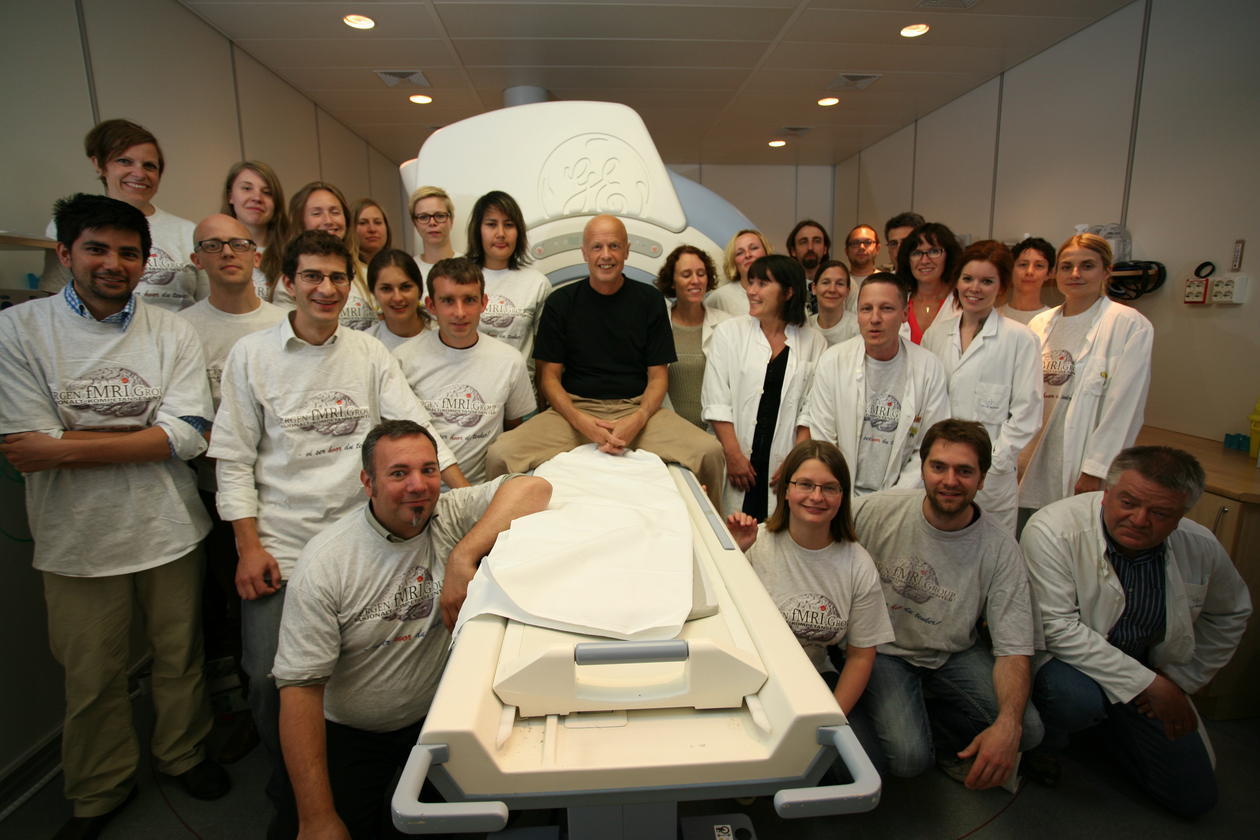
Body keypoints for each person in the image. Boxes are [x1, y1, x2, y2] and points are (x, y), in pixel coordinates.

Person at [207, 230, 467, 836]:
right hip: (286, 548)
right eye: (312, 278)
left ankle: (359, 784)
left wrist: (457, 507)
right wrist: (247, 545)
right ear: (288, 283)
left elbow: (420, 430)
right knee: (276, 684)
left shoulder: (369, 355)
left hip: (366, 540)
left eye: (336, 278)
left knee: (373, 672)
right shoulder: (252, 356)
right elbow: (234, 458)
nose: (325, 289)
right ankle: (296, 803)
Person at [1, 194, 228, 839]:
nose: (113, 263)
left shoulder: (171, 332)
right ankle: (100, 790)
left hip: (167, 528)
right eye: (97, 249)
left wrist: (65, 442)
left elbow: (188, 435)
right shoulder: (21, 331)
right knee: (92, 677)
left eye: (128, 253)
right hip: (76, 541)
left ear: (144, 261)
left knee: (178, 659)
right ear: (66, 253)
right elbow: (25, 448)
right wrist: (140, 435)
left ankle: (181, 754)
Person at [275, 420, 551, 839]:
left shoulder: (448, 513)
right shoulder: (327, 565)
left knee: (487, 815)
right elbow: (300, 690)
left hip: (436, 717)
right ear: (368, 482)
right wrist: (316, 818)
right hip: (354, 730)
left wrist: (463, 555)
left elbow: (535, 488)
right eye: (399, 473)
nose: (418, 485)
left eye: (429, 470)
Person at [1021, 446, 1251, 817]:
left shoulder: (1201, 546)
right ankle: (1052, 741)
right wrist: (1149, 685)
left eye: (1160, 513)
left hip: (1151, 671)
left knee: (1193, 798)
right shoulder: (1055, 529)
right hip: (1071, 666)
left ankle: (1109, 729)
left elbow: (1231, 613)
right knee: (1073, 698)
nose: (1140, 519)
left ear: (1181, 516)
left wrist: (1181, 680)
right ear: (1106, 493)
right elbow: (1057, 627)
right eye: (1128, 502)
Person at [485, 214, 726, 514]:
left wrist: (635, 420)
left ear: (626, 250)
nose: (606, 255)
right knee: (499, 455)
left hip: (636, 409)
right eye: (597, 247)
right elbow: (549, 380)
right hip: (573, 411)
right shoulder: (561, 303)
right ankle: (494, 544)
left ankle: (717, 540)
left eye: (614, 246)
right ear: (584, 253)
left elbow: (658, 379)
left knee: (710, 452)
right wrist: (581, 420)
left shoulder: (648, 301)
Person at [851, 420, 1043, 788]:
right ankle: (900, 721)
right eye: (938, 467)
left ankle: (936, 723)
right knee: (909, 759)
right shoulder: (878, 510)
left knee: (1027, 730)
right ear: (922, 468)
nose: (950, 480)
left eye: (965, 471)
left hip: (952, 652)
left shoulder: (1001, 548)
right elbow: (810, 523)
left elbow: (1014, 649)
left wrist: (1007, 724)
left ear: (983, 478)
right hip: (885, 650)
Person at [180, 213, 286, 696]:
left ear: (256, 256)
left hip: (285, 494)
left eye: (238, 244)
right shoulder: (181, 331)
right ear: (195, 258)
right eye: (214, 245)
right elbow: (181, 423)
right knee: (235, 604)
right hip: (215, 491)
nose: (227, 253)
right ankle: (249, 705)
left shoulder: (284, 324)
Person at [725, 440, 893, 715]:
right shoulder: (754, 543)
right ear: (786, 491)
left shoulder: (858, 563)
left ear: (842, 496)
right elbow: (718, 617)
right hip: (748, 677)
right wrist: (733, 553)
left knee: (863, 755)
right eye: (805, 484)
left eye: (829, 488)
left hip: (812, 681)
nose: (817, 497)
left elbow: (861, 656)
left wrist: (832, 718)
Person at [1018, 233, 1153, 523]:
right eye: (1067, 266)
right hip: (1030, 455)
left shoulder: (1128, 325)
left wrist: (1097, 468)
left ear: (1106, 270)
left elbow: (1125, 407)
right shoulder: (1040, 324)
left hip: (1081, 462)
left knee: (1068, 540)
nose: (1075, 274)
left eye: (1087, 266)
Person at [922, 240, 1041, 535]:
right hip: (939, 466)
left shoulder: (1020, 339)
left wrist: (994, 462)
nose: (975, 288)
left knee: (990, 554)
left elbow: (1027, 412)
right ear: (957, 282)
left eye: (987, 281)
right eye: (968, 278)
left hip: (990, 473)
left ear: (1001, 287)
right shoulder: (936, 334)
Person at [799, 273, 948, 495]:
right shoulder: (833, 361)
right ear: (857, 313)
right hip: (840, 493)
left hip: (901, 498)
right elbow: (824, 438)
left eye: (886, 308)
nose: (875, 318)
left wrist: (891, 500)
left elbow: (931, 446)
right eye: (866, 309)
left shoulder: (928, 367)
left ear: (905, 313)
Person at [703, 255, 827, 518]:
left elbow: (811, 408)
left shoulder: (813, 342)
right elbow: (716, 400)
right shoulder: (729, 332)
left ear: (788, 292)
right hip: (735, 454)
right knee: (732, 530)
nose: (751, 291)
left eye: (762, 284)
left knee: (774, 531)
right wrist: (734, 454)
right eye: (751, 283)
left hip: (783, 458)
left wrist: (796, 460)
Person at [395, 257, 535, 485]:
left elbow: (512, 431)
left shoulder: (509, 361)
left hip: (483, 488)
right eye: (448, 301)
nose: (460, 313)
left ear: (483, 303)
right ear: (431, 306)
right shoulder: (404, 360)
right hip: (422, 489)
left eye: (469, 300)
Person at [44, 119, 205, 311]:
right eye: (124, 161)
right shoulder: (72, 223)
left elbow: (206, 300)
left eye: (149, 166)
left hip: (176, 337)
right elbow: (55, 296)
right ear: (99, 164)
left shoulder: (187, 230)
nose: (139, 173)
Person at [274, 182, 378, 331]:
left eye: (335, 212)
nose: (328, 220)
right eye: (317, 213)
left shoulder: (368, 273)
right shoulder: (292, 281)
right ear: (301, 221)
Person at [464, 190, 551, 368]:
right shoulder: (461, 279)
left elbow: (544, 353)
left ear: (518, 231)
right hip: (472, 382)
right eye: (491, 224)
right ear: (478, 230)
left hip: (520, 386)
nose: (501, 233)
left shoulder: (537, 284)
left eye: (509, 225)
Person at [654, 244, 732, 428]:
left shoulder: (726, 325)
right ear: (672, 281)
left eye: (701, 274)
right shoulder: (657, 324)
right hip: (668, 431)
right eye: (686, 275)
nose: (695, 280)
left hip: (713, 434)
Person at [222, 160, 287, 303]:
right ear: (230, 197)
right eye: (246, 188)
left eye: (267, 192)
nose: (257, 198)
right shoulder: (214, 251)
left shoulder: (291, 252)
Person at [895, 222, 963, 343]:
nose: (925, 260)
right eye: (916, 253)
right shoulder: (898, 302)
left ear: (949, 256)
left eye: (934, 251)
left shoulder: (963, 304)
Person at [365, 249, 430, 351]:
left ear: (420, 290)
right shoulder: (367, 344)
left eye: (405, 287)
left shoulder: (443, 334)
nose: (397, 298)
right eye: (386, 289)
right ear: (374, 293)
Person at [706, 229, 771, 316]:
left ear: (766, 252)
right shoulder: (720, 297)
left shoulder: (782, 290)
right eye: (740, 253)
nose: (748, 255)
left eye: (754, 248)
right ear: (734, 262)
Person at [1000, 236, 1055, 325]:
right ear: (1011, 268)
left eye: (1039, 266)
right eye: (1023, 264)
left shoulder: (1053, 320)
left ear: (1049, 273)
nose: (1029, 272)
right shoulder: (994, 317)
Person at [806, 259, 859, 346]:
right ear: (814, 288)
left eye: (840, 284)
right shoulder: (806, 326)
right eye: (826, 282)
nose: (832, 289)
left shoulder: (858, 328)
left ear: (847, 291)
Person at [409, 185, 457, 280]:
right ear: (415, 224)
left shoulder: (472, 266)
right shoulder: (408, 269)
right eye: (423, 217)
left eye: (439, 216)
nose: (432, 223)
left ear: (451, 220)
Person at [843, 224, 881, 308]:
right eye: (855, 243)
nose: (861, 247)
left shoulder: (887, 282)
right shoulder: (839, 282)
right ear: (846, 251)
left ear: (877, 249)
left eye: (868, 242)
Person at [787, 219, 831, 283]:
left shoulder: (837, 284)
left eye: (817, 241)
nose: (810, 248)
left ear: (825, 249)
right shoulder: (783, 285)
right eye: (803, 242)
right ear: (793, 251)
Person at [351, 197, 391, 265]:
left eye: (378, 222)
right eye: (363, 223)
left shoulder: (398, 266)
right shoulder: (343, 268)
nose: (372, 229)